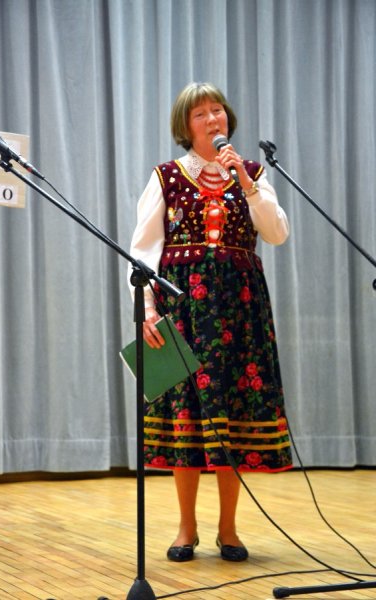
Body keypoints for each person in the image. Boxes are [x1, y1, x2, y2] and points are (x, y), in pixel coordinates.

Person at [128, 82, 292, 562]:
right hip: (184, 310)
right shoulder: (166, 177)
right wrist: (147, 310)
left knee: (231, 419)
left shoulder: (252, 174)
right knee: (188, 419)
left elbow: (276, 233)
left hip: (240, 310)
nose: (211, 119)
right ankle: (186, 528)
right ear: (186, 125)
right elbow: (143, 252)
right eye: (200, 113)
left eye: (216, 110)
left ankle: (229, 529)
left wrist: (247, 183)